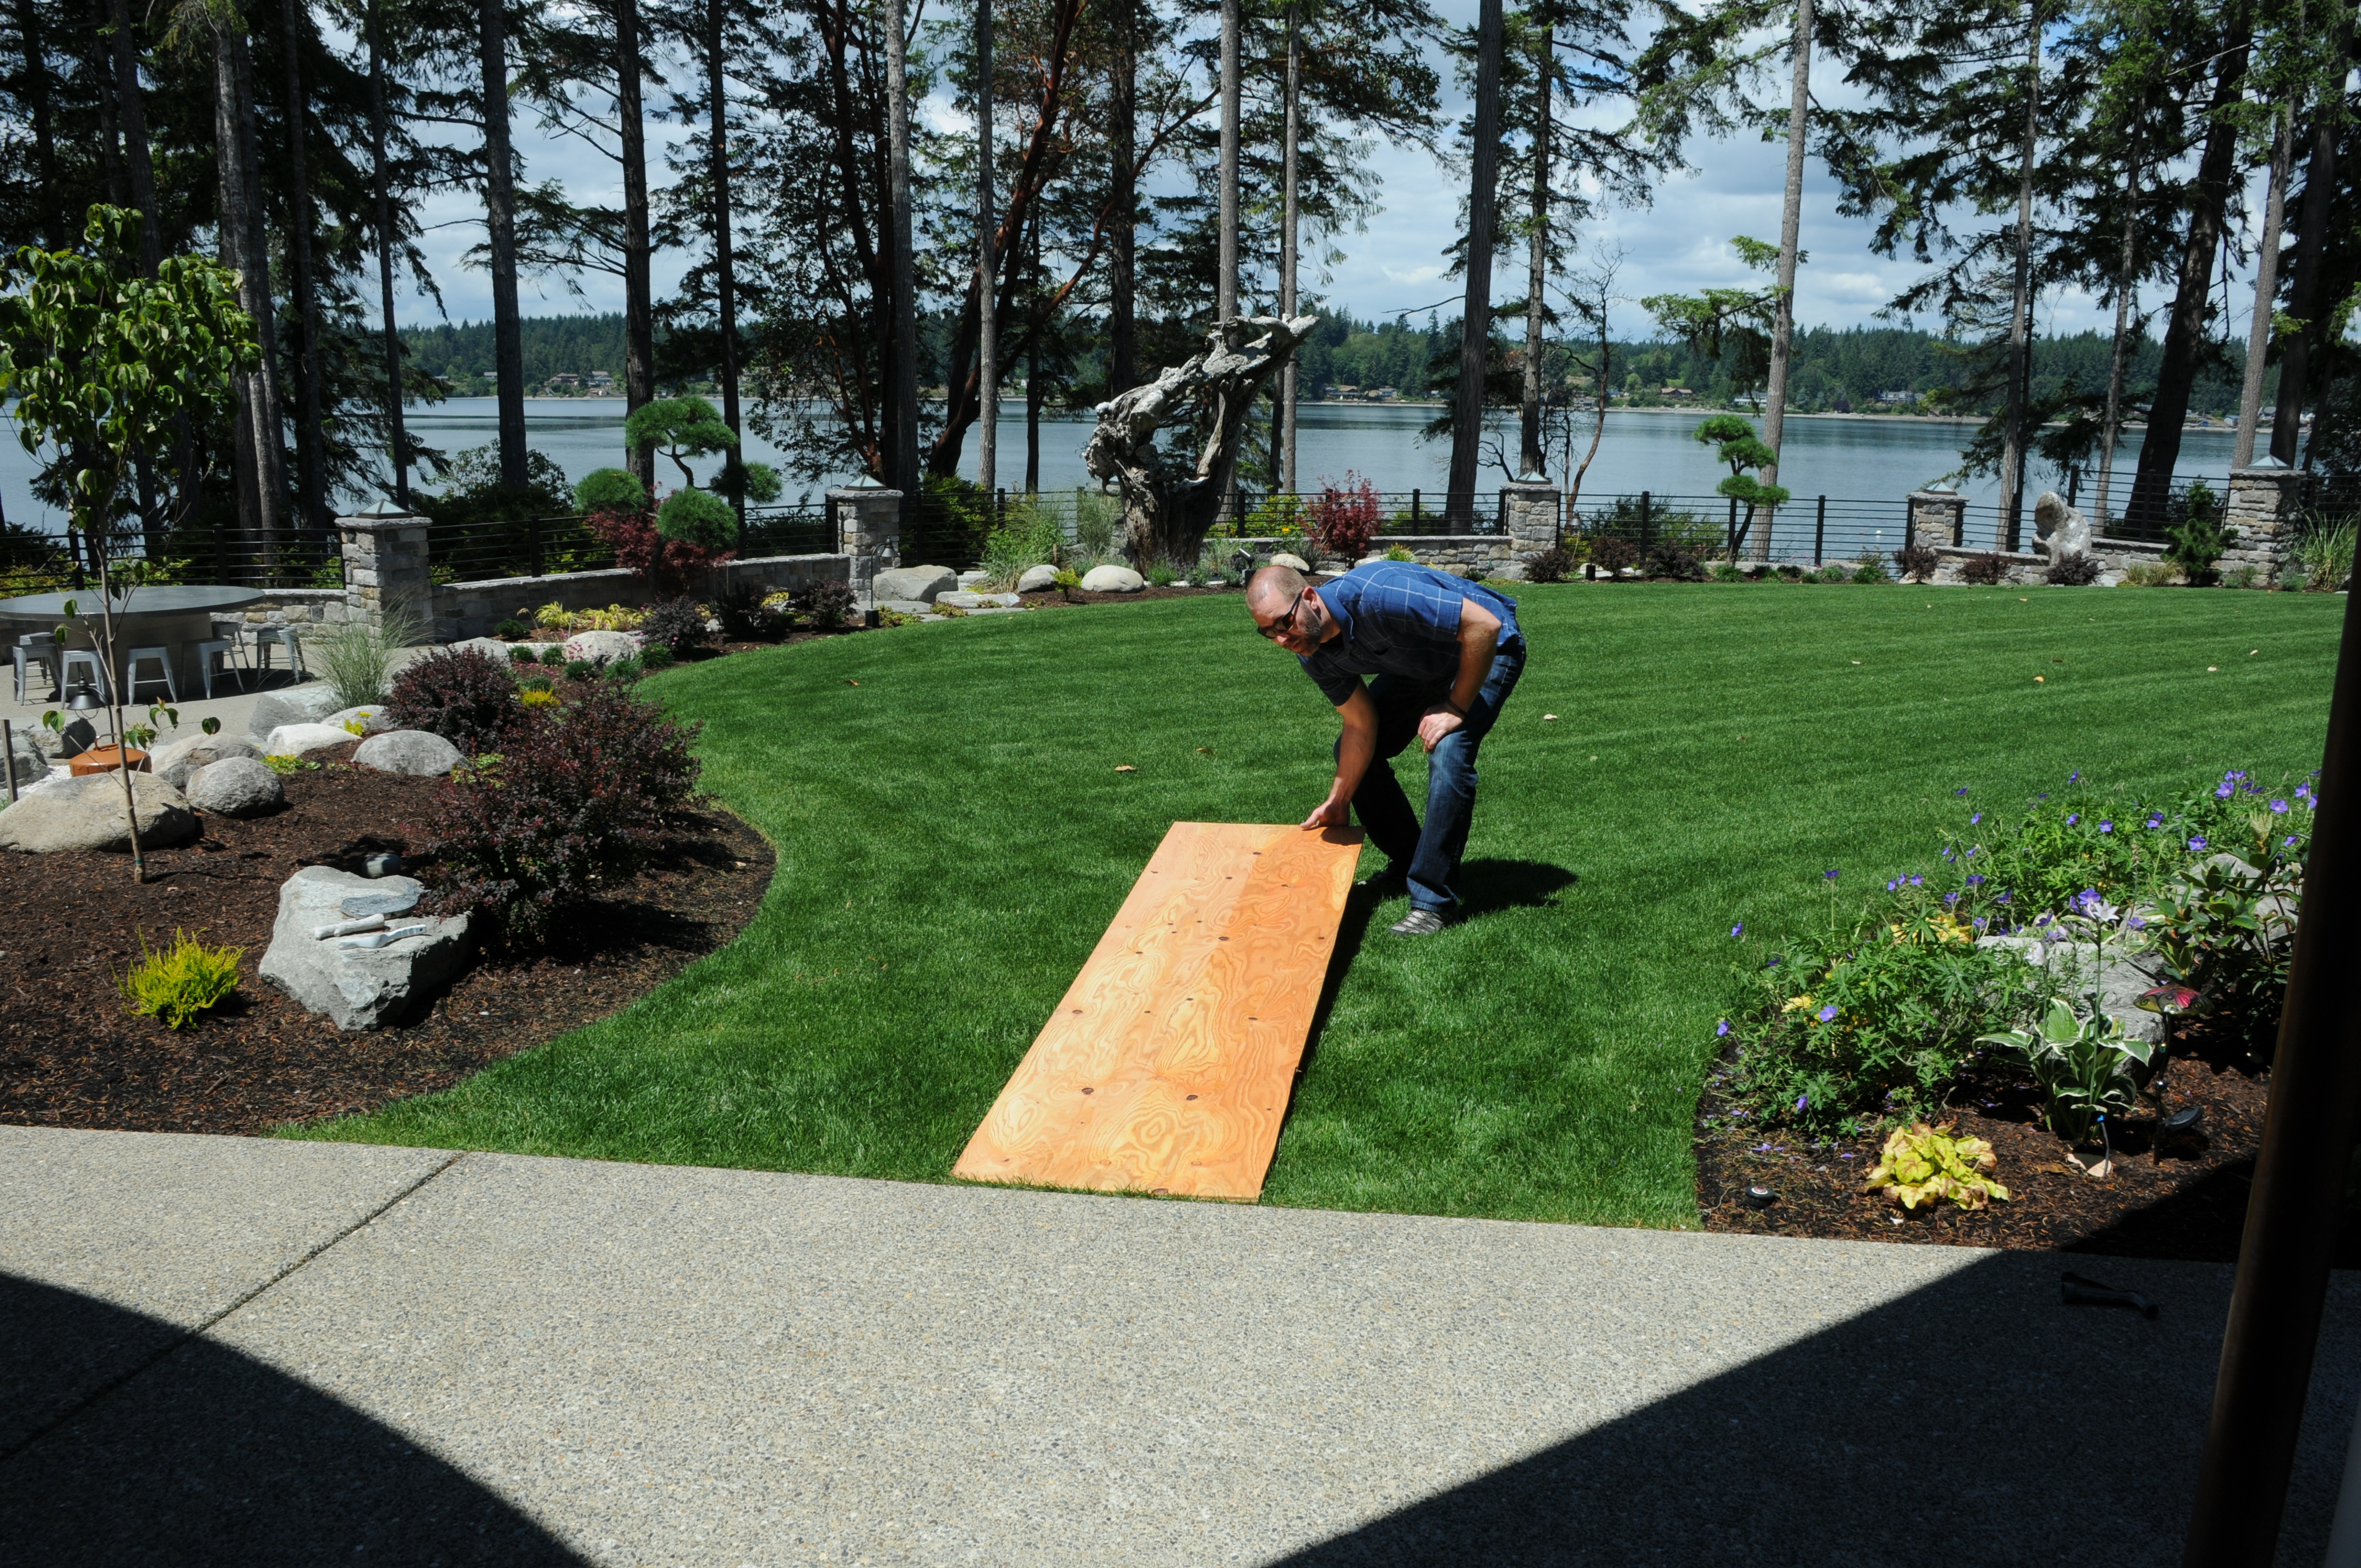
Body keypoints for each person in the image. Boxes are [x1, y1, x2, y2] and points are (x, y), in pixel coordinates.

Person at [1246, 559, 1526, 935]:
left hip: (1486, 649)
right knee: (1353, 756)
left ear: (1311, 598)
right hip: (1421, 666)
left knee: (1449, 752)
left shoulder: (1380, 595)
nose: (1282, 639)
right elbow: (1361, 724)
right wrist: (1340, 799)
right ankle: (1410, 863)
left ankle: (1433, 904)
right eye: (1268, 633)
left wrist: (1455, 708)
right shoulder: (1313, 653)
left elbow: (1484, 625)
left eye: (1284, 623)